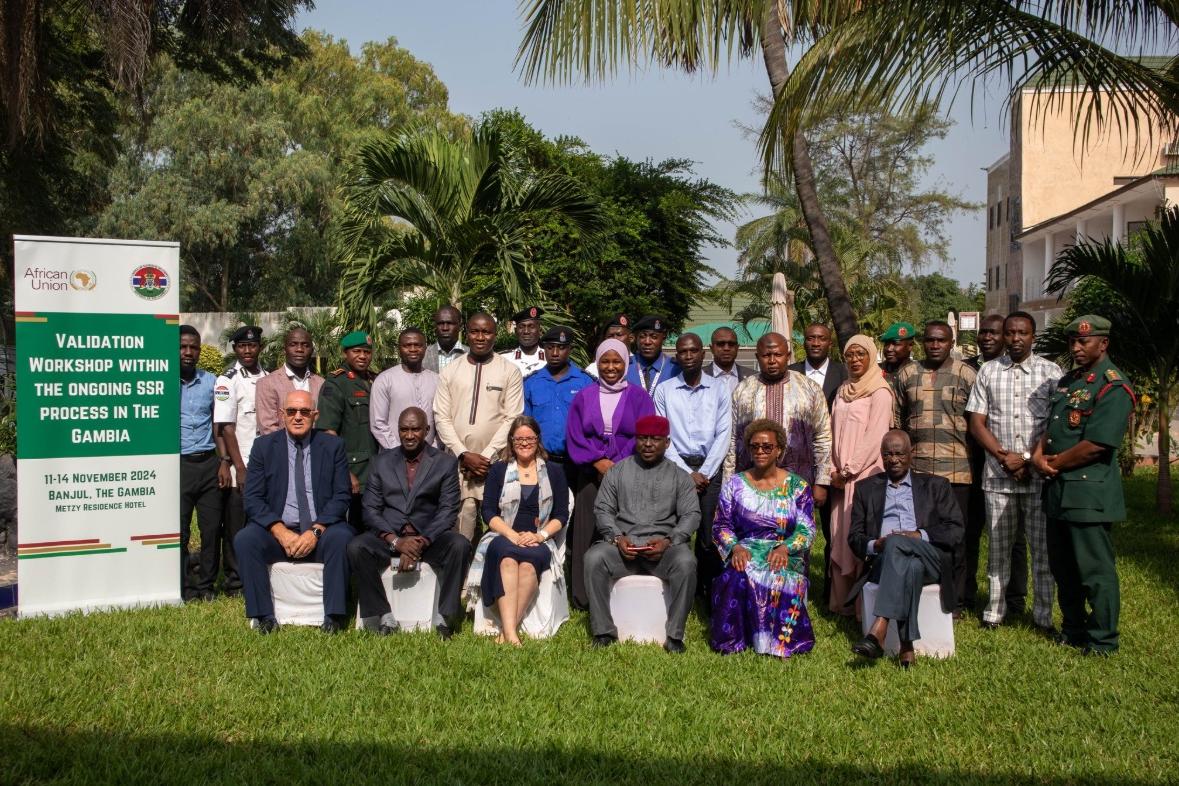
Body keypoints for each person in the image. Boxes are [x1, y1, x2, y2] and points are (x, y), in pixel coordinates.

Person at [1033, 315, 1134, 655]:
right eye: (1072, 341)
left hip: (1088, 493)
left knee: (1095, 571)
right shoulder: (1070, 381)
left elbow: (1098, 444)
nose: (1076, 347)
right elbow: (1054, 427)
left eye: (1083, 341)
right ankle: (1073, 629)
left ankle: (1103, 639)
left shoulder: (1112, 386)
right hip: (1059, 491)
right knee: (1063, 568)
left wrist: (1053, 463)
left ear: (1103, 344)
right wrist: (1038, 455)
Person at [966, 312, 1060, 633]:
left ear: (1033, 336)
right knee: (998, 551)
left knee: (1042, 553)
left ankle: (1043, 617)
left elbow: (1056, 424)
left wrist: (1027, 459)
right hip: (998, 478)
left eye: (1023, 333)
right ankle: (994, 612)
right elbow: (977, 423)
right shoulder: (989, 371)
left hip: (1038, 478)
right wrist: (1005, 458)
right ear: (1004, 335)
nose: (1016, 338)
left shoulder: (1051, 372)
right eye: (1010, 333)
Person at [347, 406, 471, 639]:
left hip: (429, 538)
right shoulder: (381, 462)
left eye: (415, 429)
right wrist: (396, 542)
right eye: (404, 429)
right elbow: (370, 510)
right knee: (357, 547)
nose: (409, 435)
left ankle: (444, 618)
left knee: (460, 545)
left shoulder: (444, 463)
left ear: (427, 430)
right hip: (390, 538)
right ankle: (383, 616)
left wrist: (420, 543)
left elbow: (447, 511)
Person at [235, 391, 354, 633]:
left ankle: (333, 616)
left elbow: (342, 495)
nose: (297, 417)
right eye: (291, 411)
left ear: (315, 415)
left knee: (342, 538)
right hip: (278, 531)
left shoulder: (333, 446)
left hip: (321, 529)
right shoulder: (264, 447)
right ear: (282, 415)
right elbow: (253, 498)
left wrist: (315, 531)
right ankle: (264, 616)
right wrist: (280, 531)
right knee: (245, 539)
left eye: (304, 412)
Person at [848, 430, 964, 668]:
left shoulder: (936, 485)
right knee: (909, 565)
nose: (893, 459)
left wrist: (919, 535)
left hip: (930, 557)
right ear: (882, 456)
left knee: (896, 542)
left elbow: (956, 530)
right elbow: (854, 538)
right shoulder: (866, 489)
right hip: (884, 561)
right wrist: (875, 544)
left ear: (911, 454)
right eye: (887, 454)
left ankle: (879, 629)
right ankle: (907, 647)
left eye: (899, 453)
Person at [585, 415, 699, 653]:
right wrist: (617, 538)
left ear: (667, 443)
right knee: (594, 558)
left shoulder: (679, 476)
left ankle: (675, 635)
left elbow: (691, 515)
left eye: (655, 439)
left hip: (663, 550)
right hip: (623, 548)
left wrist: (670, 541)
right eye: (642, 438)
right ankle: (604, 631)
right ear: (635, 440)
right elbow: (603, 509)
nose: (648, 444)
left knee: (686, 562)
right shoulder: (617, 472)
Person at [711, 419, 816, 659]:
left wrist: (785, 548)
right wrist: (735, 548)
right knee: (737, 575)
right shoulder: (734, 484)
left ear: (779, 450)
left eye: (767, 446)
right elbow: (721, 525)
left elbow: (807, 529)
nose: (760, 451)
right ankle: (734, 641)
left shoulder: (798, 487)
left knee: (778, 574)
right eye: (755, 446)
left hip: (782, 551)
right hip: (745, 550)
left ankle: (779, 643)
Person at [892, 320, 977, 616]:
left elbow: (977, 421)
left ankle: (957, 601)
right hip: (919, 472)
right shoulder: (907, 374)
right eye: (930, 340)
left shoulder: (967, 374)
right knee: (921, 534)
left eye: (941, 340)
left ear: (951, 342)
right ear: (922, 343)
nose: (935, 345)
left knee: (956, 538)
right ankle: (924, 595)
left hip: (957, 471)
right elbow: (897, 421)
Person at [565, 338, 656, 610]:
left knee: (624, 531)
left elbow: (644, 435)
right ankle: (583, 597)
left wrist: (616, 465)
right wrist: (598, 461)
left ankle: (621, 592)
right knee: (586, 532)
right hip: (590, 474)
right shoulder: (584, 396)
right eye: (605, 361)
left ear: (626, 363)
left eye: (617, 361)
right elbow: (575, 435)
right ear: (597, 363)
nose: (611, 367)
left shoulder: (640, 397)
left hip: (628, 475)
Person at [468, 416, 570, 645]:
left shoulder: (554, 471)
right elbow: (488, 512)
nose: (525, 443)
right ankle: (512, 635)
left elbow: (561, 514)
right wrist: (512, 535)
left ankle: (507, 631)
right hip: (503, 535)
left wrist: (540, 536)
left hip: (538, 538)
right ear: (511, 441)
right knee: (506, 559)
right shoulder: (499, 470)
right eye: (519, 439)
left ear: (538, 440)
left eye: (530, 438)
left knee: (528, 564)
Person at [653, 332, 731, 609]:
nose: (688, 356)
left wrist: (705, 472)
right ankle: (676, 589)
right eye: (683, 352)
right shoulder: (664, 390)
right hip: (675, 468)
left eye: (693, 351)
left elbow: (724, 433)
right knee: (676, 530)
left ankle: (707, 592)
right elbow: (663, 435)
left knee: (709, 535)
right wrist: (687, 472)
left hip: (711, 469)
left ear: (703, 353)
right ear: (677, 356)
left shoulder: (720, 388)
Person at [433, 312, 524, 542]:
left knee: (499, 525)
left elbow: (512, 417)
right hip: (459, 465)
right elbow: (441, 417)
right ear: (466, 333)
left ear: (495, 334)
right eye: (475, 331)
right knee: (461, 525)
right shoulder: (451, 371)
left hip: (496, 463)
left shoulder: (509, 371)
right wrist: (463, 454)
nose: (480, 337)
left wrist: (485, 458)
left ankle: (493, 565)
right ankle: (463, 566)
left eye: (486, 332)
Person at [963, 314, 1028, 616]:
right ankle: (967, 595)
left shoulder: (1016, 370)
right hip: (972, 463)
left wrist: (1014, 459)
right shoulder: (969, 368)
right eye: (983, 332)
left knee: (1013, 538)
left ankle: (1014, 599)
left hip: (1008, 467)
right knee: (970, 531)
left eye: (994, 332)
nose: (987, 337)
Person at [827, 334, 894, 615]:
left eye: (860, 354)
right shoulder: (843, 390)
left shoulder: (880, 391)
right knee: (840, 535)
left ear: (871, 356)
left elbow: (876, 436)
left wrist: (849, 470)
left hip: (865, 475)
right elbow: (831, 432)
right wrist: (833, 470)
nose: (855, 360)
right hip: (840, 478)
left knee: (862, 536)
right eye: (850, 355)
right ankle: (841, 604)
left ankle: (862, 608)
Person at [726, 332, 831, 503]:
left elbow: (823, 437)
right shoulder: (743, 390)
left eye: (778, 355)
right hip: (752, 483)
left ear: (788, 356)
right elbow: (732, 440)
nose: (772, 360)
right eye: (766, 355)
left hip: (797, 481)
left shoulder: (809, 389)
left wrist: (822, 481)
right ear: (757, 357)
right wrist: (729, 483)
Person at [213, 325, 267, 597]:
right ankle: (235, 580)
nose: (248, 350)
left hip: (265, 464)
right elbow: (226, 427)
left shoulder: (269, 377)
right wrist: (239, 467)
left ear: (260, 347)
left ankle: (259, 571)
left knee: (261, 521)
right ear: (235, 348)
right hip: (240, 465)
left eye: (252, 345)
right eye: (242, 346)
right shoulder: (227, 380)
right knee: (236, 523)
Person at [180, 325, 228, 601]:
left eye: (193, 347)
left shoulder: (212, 382)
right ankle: (185, 586)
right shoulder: (161, 383)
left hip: (209, 463)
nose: (188, 352)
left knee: (211, 530)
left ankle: (206, 585)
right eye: (183, 347)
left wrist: (223, 461)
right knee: (181, 530)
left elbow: (219, 424)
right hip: (179, 466)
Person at [318, 331, 379, 526]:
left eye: (367, 352)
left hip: (375, 469)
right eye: (357, 351)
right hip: (353, 472)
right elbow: (328, 433)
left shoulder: (375, 380)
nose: (363, 356)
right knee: (351, 528)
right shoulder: (336, 383)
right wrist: (345, 471)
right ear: (345, 353)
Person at [524, 326, 593, 471]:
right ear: (544, 349)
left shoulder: (586, 382)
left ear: (570, 349)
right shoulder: (531, 382)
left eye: (561, 348)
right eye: (550, 348)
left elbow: (592, 424)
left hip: (578, 463)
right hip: (540, 461)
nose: (555, 353)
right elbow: (525, 425)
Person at [370, 327, 440, 450]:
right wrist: (399, 452)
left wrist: (433, 450)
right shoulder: (385, 380)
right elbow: (378, 423)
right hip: (394, 454)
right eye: (407, 345)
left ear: (425, 348)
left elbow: (442, 420)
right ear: (399, 349)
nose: (413, 349)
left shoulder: (437, 380)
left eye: (418, 345)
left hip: (431, 455)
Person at [255, 326, 324, 436]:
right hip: (280, 446)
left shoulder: (321, 383)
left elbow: (325, 424)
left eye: (305, 345)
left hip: (316, 446)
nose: (299, 349)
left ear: (312, 350)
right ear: (284, 349)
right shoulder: (267, 383)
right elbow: (268, 428)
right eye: (293, 344)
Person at [789, 323, 848, 410]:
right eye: (810, 339)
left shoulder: (844, 373)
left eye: (822, 339)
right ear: (804, 343)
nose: (816, 343)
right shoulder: (790, 372)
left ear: (830, 344)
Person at [626, 315, 681, 395]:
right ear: (636, 338)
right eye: (642, 336)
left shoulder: (675, 368)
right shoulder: (625, 366)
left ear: (663, 338)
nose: (647, 342)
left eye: (654, 337)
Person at [705, 326, 754, 396]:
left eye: (731, 344)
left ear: (737, 348)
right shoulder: (698, 376)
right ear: (711, 348)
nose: (726, 348)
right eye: (721, 344)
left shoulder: (753, 377)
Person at [501, 306, 546, 378]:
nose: (526, 331)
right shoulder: (504, 360)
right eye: (521, 327)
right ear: (515, 331)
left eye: (531, 327)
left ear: (540, 331)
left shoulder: (550, 359)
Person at [585, 313, 633, 379]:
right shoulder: (593, 370)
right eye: (610, 336)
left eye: (619, 335)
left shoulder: (640, 365)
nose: (615, 339)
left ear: (631, 338)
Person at [423, 304, 467, 373]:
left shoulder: (471, 355)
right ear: (435, 327)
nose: (445, 328)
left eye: (450, 323)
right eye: (440, 323)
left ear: (460, 327)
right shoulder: (423, 355)